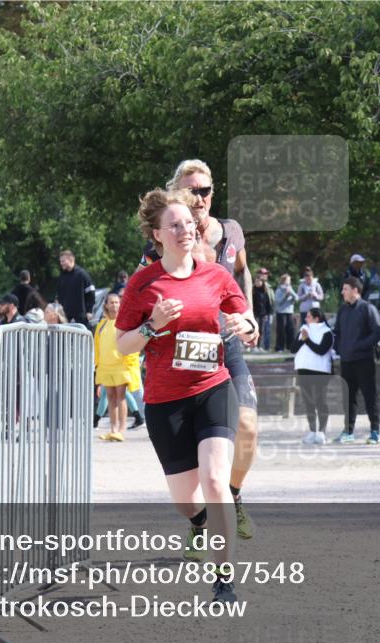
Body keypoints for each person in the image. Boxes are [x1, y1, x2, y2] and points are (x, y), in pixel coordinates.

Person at [115, 187, 258, 605]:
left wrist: (245, 326)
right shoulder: (143, 284)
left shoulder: (216, 275)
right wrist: (152, 324)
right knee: (184, 499)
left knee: (216, 480)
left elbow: (246, 318)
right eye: (174, 225)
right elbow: (123, 346)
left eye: (189, 224)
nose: (186, 230)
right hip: (165, 400)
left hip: (212, 387)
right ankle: (198, 522)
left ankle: (224, 581)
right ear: (157, 234)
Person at [138, 159, 260, 540]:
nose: (199, 197)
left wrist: (249, 315)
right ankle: (200, 519)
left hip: (225, 347)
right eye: (191, 190)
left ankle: (232, 496)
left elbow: (243, 271)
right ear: (178, 193)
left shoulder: (231, 232)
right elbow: (144, 294)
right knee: (193, 456)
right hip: (180, 354)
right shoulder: (161, 243)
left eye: (205, 190)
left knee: (248, 427)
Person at [332, 276, 380, 444]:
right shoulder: (343, 310)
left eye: (345, 289)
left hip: (364, 360)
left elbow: (377, 331)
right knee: (348, 397)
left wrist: (359, 346)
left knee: (370, 396)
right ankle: (348, 431)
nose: (342, 292)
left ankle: (375, 431)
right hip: (346, 361)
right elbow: (337, 332)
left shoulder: (367, 308)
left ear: (355, 290)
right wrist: (340, 348)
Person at [94, 292, 137, 442]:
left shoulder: (124, 321)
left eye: (116, 302)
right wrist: (97, 365)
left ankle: (121, 429)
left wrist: (130, 364)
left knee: (121, 397)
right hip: (106, 365)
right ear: (106, 305)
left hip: (121, 364)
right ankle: (112, 429)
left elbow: (131, 342)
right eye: (111, 302)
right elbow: (98, 346)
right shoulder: (102, 324)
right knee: (110, 397)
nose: (114, 305)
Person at [290, 307, 333, 444]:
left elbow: (321, 350)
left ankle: (322, 431)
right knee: (308, 402)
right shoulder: (304, 330)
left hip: (319, 371)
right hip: (303, 370)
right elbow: (293, 348)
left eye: (308, 317)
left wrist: (307, 340)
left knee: (320, 401)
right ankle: (312, 430)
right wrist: (303, 338)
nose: (306, 319)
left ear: (316, 318)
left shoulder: (326, 332)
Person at [55, 250, 96, 328]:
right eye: (60, 261)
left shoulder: (82, 274)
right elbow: (58, 295)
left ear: (71, 260)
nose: (61, 263)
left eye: (63, 261)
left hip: (81, 317)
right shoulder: (62, 276)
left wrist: (89, 311)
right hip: (65, 317)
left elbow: (91, 293)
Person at [273, 273, 297, 352]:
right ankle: (280, 347)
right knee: (281, 330)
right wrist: (286, 296)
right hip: (281, 312)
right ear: (284, 281)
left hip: (289, 312)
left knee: (291, 329)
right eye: (288, 280)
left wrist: (291, 293)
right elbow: (278, 302)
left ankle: (291, 346)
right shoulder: (279, 290)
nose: (289, 281)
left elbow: (296, 298)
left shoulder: (290, 288)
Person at [252, 273, 274, 352]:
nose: (257, 283)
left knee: (261, 331)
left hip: (263, 314)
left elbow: (268, 303)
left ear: (262, 282)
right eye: (256, 281)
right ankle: (254, 346)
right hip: (255, 314)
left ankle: (259, 346)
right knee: (254, 330)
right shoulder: (253, 291)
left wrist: (268, 313)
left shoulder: (265, 291)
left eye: (259, 281)